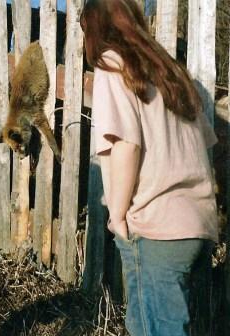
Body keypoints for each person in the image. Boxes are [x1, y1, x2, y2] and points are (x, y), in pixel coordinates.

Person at [81, 1, 218, 335]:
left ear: (97, 27)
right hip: (196, 225)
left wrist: (118, 216)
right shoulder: (167, 69)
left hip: (156, 228)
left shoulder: (112, 63)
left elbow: (126, 144)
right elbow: (206, 144)